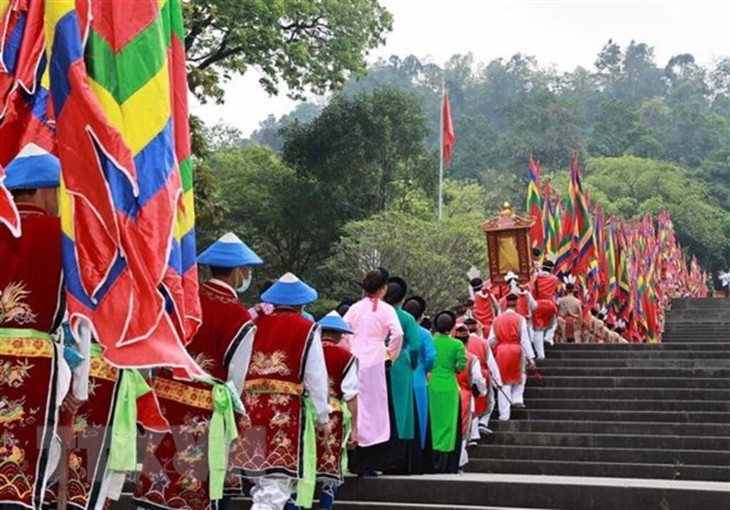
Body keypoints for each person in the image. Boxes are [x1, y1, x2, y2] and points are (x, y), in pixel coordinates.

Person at [135, 233, 260, 510]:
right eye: (247, 269)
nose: (248, 274)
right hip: (204, 407)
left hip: (165, 399)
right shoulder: (239, 317)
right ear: (238, 272)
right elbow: (235, 381)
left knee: (159, 471)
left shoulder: (182, 299)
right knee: (193, 481)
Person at [0, 148, 82, 509]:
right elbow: (81, 317)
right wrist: (77, 376)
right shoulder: (64, 239)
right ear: (46, 191)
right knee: (29, 465)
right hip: (37, 365)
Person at [236, 273, 330, 510]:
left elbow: (238, 364)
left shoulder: (253, 325)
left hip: (251, 410)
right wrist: (323, 415)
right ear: (301, 304)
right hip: (284, 415)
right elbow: (316, 375)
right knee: (275, 489)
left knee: (260, 485)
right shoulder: (307, 328)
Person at [286, 312, 358, 510]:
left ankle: (295, 506)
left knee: (302, 464)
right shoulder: (348, 358)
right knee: (329, 466)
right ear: (340, 335)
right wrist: (354, 428)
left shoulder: (306, 351)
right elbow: (351, 394)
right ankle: (325, 506)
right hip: (334, 413)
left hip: (305, 410)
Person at [343, 269, 404, 476]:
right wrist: (390, 354)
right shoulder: (386, 309)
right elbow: (398, 334)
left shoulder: (354, 308)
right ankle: (371, 461)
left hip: (355, 359)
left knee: (356, 407)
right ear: (383, 288)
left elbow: (342, 330)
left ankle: (355, 458)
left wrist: (349, 349)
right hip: (376, 360)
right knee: (376, 411)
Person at [382, 277, 421, 474]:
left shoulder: (378, 314)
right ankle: (399, 459)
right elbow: (415, 347)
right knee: (402, 409)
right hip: (400, 363)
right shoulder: (406, 318)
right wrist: (412, 364)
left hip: (377, 362)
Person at [428, 311, 467, 474]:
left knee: (433, 422)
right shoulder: (457, 345)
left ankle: (432, 459)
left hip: (432, 385)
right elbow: (461, 365)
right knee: (449, 425)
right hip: (450, 386)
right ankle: (447, 463)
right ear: (452, 327)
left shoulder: (431, 342)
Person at [488, 293, 536, 421]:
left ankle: (504, 415)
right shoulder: (520, 319)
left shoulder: (496, 320)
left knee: (503, 382)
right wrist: (531, 358)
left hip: (501, 351)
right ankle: (516, 398)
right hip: (516, 350)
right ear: (517, 304)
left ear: (504, 304)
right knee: (520, 376)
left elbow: (491, 340)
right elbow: (525, 340)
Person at [403, 295, 437, 473]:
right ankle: (419, 456)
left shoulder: (397, 331)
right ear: (421, 316)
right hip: (418, 378)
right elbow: (431, 356)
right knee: (421, 418)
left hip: (399, 378)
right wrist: (426, 368)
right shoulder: (424, 333)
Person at [453, 323, 486, 463]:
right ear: (468, 340)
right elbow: (478, 378)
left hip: (448, 391)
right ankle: (459, 460)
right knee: (463, 429)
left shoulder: (446, 354)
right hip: (465, 395)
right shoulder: (471, 358)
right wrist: (481, 392)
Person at [464, 317, 502, 437]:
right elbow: (491, 362)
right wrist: (498, 380)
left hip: (464, 374)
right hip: (483, 373)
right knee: (489, 401)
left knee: (470, 404)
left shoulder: (459, 343)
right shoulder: (483, 343)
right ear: (477, 329)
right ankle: (483, 422)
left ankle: (472, 431)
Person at [530, 258, 559, 358]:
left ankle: (540, 354)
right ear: (551, 270)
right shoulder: (554, 279)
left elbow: (531, 289)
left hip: (537, 304)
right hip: (550, 304)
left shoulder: (536, 277)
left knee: (538, 329)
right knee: (554, 322)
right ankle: (548, 337)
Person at [557, 279, 583, 344]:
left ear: (565, 289)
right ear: (574, 289)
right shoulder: (578, 301)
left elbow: (558, 312)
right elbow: (580, 314)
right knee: (577, 339)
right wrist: (580, 323)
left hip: (563, 322)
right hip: (574, 322)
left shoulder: (561, 300)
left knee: (562, 340)